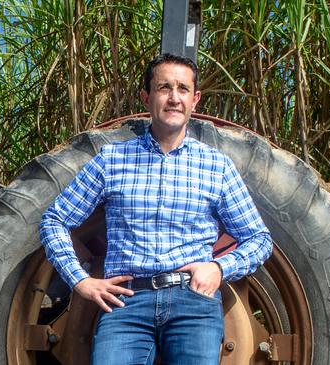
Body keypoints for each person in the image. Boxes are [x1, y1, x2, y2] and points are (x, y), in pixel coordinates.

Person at [39, 53, 272, 364]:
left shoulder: (216, 166)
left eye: (182, 89)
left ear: (195, 99)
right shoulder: (113, 160)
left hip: (194, 303)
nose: (174, 98)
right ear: (147, 97)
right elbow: (54, 220)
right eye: (164, 88)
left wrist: (218, 268)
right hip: (127, 302)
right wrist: (80, 280)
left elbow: (259, 239)